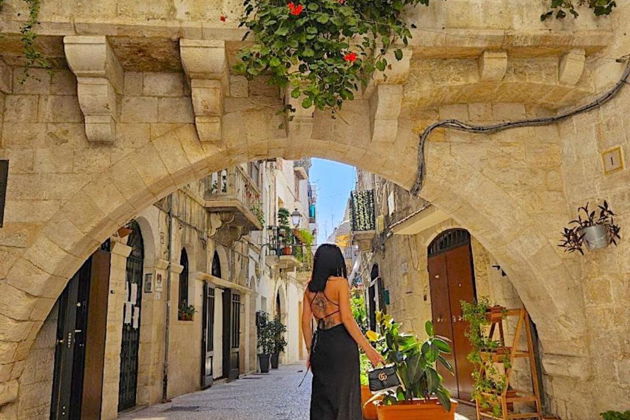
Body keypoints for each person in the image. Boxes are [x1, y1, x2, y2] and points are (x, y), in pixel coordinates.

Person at [301, 243, 385, 420]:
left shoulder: (309, 289)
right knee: (346, 395)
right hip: (341, 344)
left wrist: (310, 351)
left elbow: (305, 323)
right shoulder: (340, 283)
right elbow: (347, 319)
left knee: (322, 398)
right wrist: (369, 350)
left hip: (321, 345)